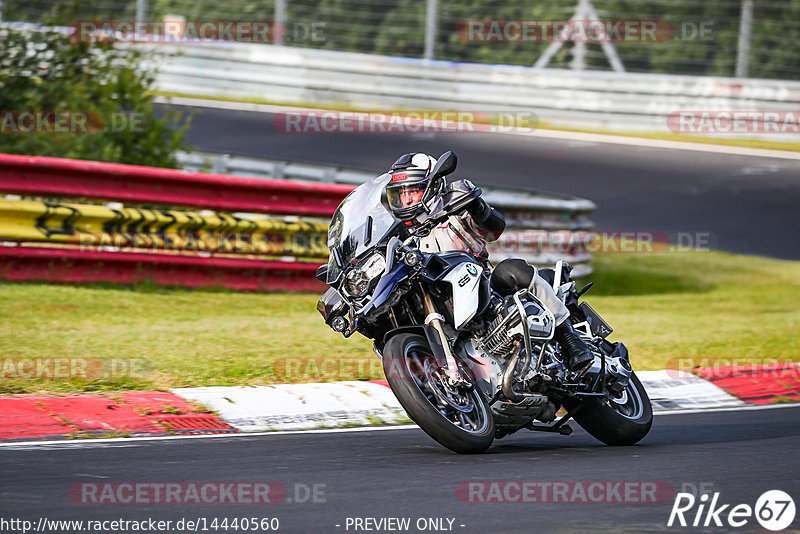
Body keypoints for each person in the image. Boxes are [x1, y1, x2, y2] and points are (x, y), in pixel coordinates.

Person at [385, 152, 593, 373]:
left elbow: (495, 228)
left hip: (484, 290)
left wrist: (477, 207)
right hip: (440, 305)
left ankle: (571, 340)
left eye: (413, 191)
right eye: (401, 193)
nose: (406, 199)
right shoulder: (400, 236)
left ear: (432, 185)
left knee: (511, 269)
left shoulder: (454, 210)